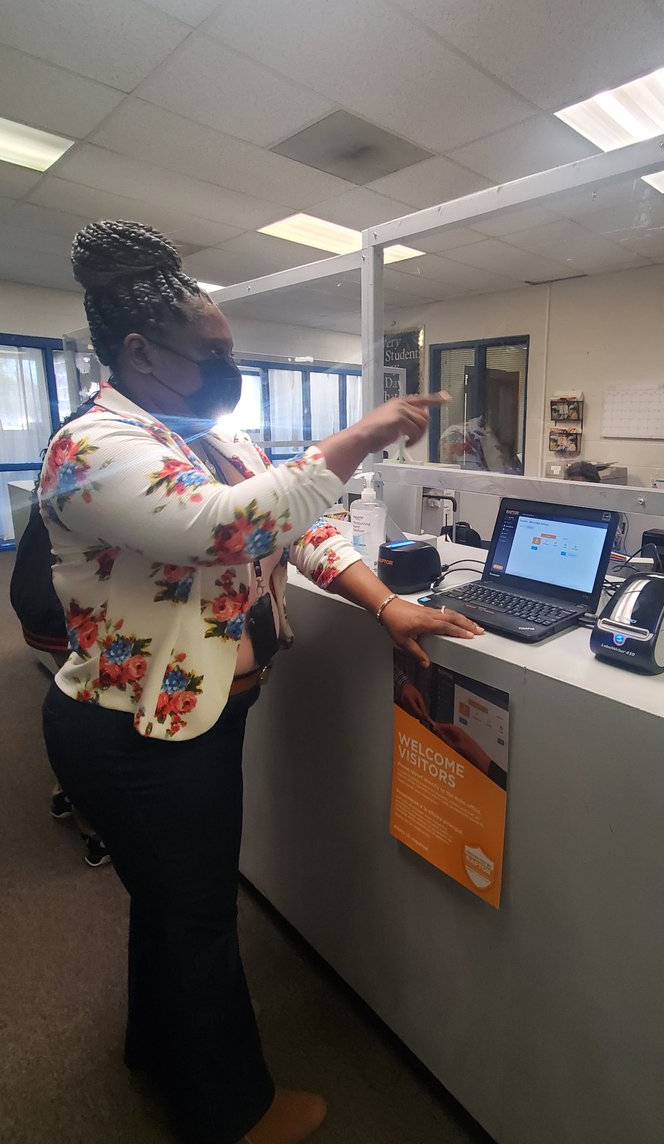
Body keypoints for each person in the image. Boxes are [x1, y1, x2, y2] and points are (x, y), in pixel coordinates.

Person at [39, 220, 483, 1144]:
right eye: (213, 351)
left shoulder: (205, 434)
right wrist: (355, 438)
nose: (227, 364)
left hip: (192, 720)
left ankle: (158, 1054)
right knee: (196, 919)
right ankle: (230, 1116)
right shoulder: (92, 447)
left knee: (173, 908)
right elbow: (225, 531)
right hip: (131, 735)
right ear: (138, 352)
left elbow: (300, 526)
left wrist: (382, 603)